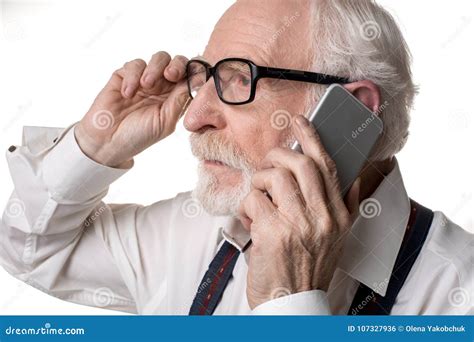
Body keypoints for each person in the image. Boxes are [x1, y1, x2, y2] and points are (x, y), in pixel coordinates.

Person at [1, 0, 472, 315]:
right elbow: (32, 250)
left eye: (238, 78)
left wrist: (287, 301)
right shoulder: (193, 233)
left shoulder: (459, 297)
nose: (194, 116)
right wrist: (96, 148)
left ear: (353, 111)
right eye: (205, 75)